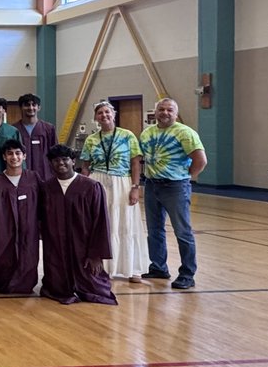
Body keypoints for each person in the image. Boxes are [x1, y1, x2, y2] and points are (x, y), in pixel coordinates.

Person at [139, 97, 207, 289]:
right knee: (154, 230)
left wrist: (186, 177)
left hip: (175, 187)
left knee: (182, 231)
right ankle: (158, 267)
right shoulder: (147, 133)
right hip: (152, 186)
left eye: (169, 110)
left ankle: (187, 273)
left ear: (175, 114)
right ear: (155, 112)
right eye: (161, 109)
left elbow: (200, 160)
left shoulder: (185, 133)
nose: (165, 113)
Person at [80, 101, 149, 284]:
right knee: (100, 224)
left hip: (122, 182)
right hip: (97, 181)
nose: (104, 115)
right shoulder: (92, 139)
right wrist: (82, 189)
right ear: (96, 117)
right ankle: (103, 268)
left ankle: (132, 268)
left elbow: (136, 163)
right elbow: (85, 167)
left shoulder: (128, 136)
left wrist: (135, 187)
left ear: (114, 114)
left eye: (107, 112)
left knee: (126, 223)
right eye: (100, 113)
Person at [40, 145, 117, 305]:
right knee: (56, 284)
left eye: (65, 159)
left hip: (83, 245)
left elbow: (100, 222)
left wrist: (96, 255)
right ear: (50, 163)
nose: (60, 163)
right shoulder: (47, 188)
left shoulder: (90, 187)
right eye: (56, 160)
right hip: (56, 246)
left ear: (73, 161)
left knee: (92, 286)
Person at [0, 140, 40, 294]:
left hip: (29, 230)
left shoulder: (33, 178)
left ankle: (25, 284)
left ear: (24, 156)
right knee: (4, 256)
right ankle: (3, 283)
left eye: (17, 153)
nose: (14, 157)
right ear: (4, 157)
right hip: (3, 230)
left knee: (28, 255)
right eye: (9, 153)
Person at [12, 93, 58, 179]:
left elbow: (55, 153)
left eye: (34, 105)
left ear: (39, 107)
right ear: (21, 107)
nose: (30, 108)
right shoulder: (13, 130)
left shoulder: (48, 129)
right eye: (27, 105)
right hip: (20, 174)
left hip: (45, 174)